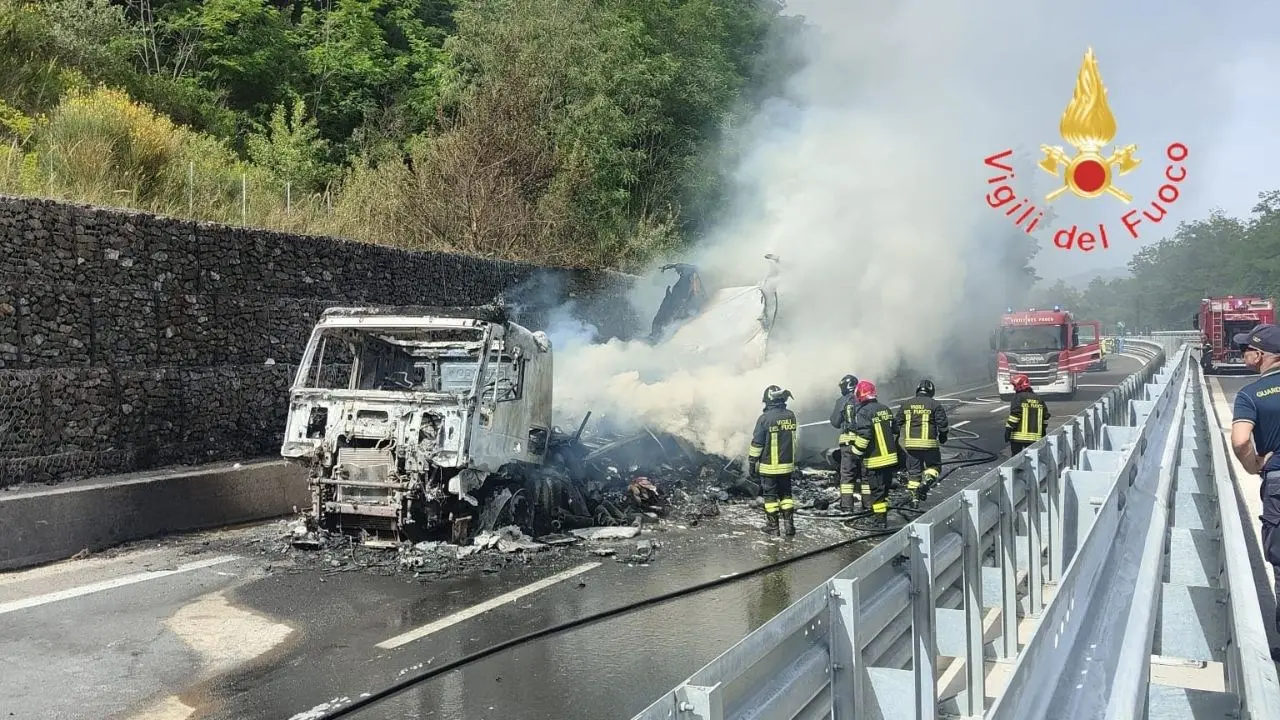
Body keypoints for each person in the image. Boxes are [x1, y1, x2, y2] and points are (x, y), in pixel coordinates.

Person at [1228, 323, 1280, 658]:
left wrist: (1254, 465)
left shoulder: (1251, 394)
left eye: (1246, 348)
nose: (1242, 353)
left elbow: (1241, 440)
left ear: (1260, 355)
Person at [749, 385, 799, 537]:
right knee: (786, 496)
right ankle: (789, 527)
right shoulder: (791, 415)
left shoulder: (765, 419)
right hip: (787, 466)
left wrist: (752, 462)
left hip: (769, 466)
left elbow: (757, 443)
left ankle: (773, 527)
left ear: (768, 400)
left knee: (770, 498)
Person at [849, 380, 900, 529]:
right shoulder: (885, 408)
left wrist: (855, 453)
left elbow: (865, 436)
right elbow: (895, 429)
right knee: (883, 490)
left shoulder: (863, 412)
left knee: (877, 492)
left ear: (860, 395)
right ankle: (880, 516)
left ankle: (880, 521)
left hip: (875, 460)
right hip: (890, 458)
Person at [896, 378, 949, 508]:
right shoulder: (935, 405)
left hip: (911, 445)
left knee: (914, 473)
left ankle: (915, 501)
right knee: (934, 467)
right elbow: (942, 424)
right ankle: (926, 482)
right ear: (931, 391)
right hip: (929, 444)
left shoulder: (906, 404)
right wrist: (943, 436)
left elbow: (896, 424)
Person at [829, 374, 860, 511]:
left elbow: (835, 422)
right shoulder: (865, 399)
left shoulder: (842, 401)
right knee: (865, 475)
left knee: (847, 475)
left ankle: (847, 506)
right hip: (866, 442)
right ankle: (868, 504)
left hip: (849, 444)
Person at [1004, 373, 1049, 455]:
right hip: (1035, 437)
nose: (1014, 388)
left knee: (1016, 461)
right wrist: (1043, 432)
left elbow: (1015, 415)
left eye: (1015, 386)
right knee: (1033, 460)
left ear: (1019, 385)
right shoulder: (1038, 398)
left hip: (1017, 437)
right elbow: (1045, 418)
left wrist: (1008, 430)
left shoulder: (1018, 397)